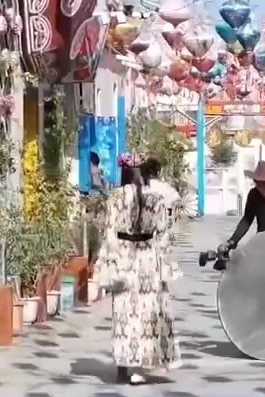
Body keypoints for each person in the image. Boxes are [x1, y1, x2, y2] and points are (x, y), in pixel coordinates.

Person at [94, 153, 181, 384]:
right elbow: (163, 232)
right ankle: (144, 362)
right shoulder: (157, 197)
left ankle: (123, 364)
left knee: (124, 313)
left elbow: (110, 231)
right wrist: (165, 264)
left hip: (124, 256)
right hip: (148, 258)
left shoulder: (116, 196)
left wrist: (108, 262)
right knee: (148, 312)